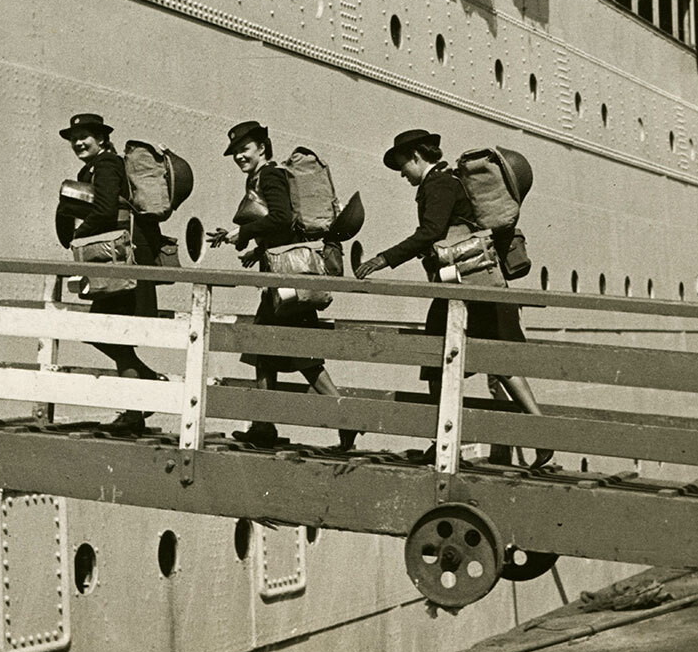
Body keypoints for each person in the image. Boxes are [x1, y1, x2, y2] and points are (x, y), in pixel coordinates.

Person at [355, 129, 551, 468]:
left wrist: (384, 259)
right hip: (467, 285)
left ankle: (451, 441)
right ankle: (531, 434)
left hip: (466, 286)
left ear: (418, 156)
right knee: (480, 362)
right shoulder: (446, 182)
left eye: (403, 166)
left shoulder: (439, 184)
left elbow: (431, 231)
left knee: (444, 360)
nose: (403, 174)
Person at [207, 121, 356, 451]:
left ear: (261, 147)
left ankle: (347, 418)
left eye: (244, 150)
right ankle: (263, 425)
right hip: (280, 274)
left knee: (304, 358)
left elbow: (281, 218)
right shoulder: (258, 176)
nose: (239, 157)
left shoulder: (271, 175)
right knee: (265, 348)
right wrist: (256, 251)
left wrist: (241, 234)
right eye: (235, 153)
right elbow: (279, 230)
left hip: (290, 279)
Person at [57, 113, 167, 435]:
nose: (78, 142)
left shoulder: (107, 165)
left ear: (101, 138)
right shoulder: (89, 168)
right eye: (74, 137)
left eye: (85, 136)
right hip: (115, 259)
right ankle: (142, 395)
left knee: (108, 331)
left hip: (126, 259)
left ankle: (139, 401)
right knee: (106, 331)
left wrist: (78, 236)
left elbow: (104, 211)